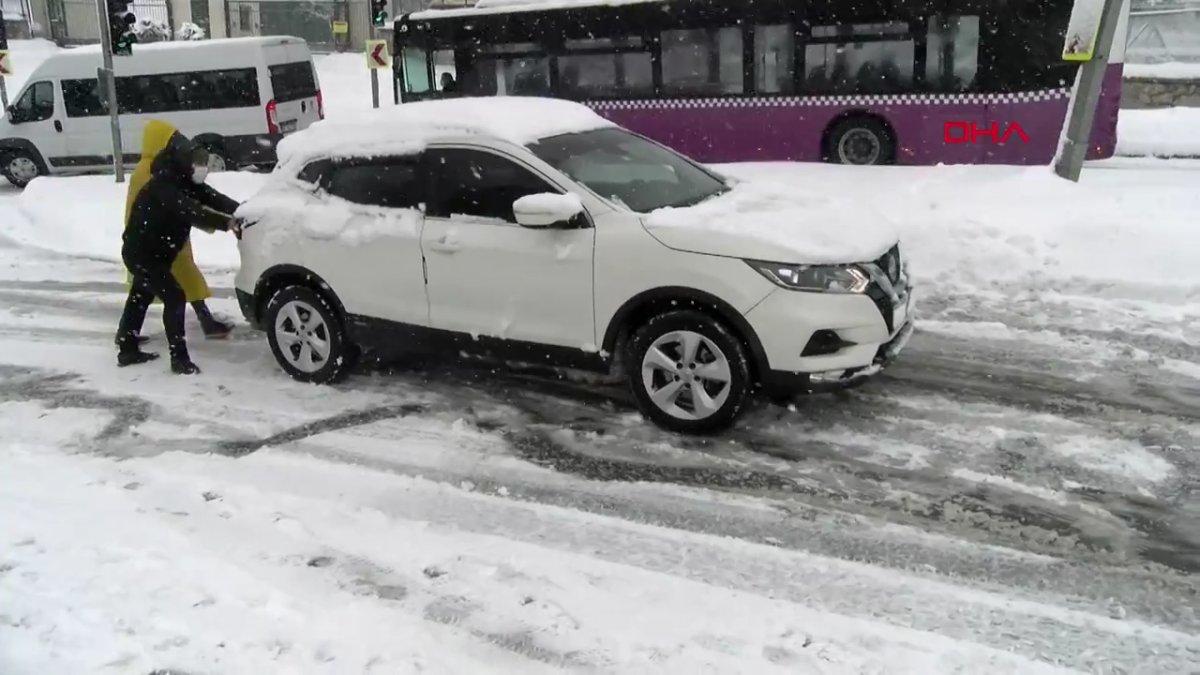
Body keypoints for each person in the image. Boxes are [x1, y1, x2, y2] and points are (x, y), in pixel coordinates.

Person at [116, 125, 240, 375]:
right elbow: (190, 211)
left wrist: (243, 210)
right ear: (186, 163)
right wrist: (226, 223)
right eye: (199, 164)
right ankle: (179, 359)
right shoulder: (165, 185)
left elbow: (212, 197)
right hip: (143, 253)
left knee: (141, 294)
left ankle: (127, 346)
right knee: (174, 296)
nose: (203, 169)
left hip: (154, 252)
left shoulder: (184, 179)